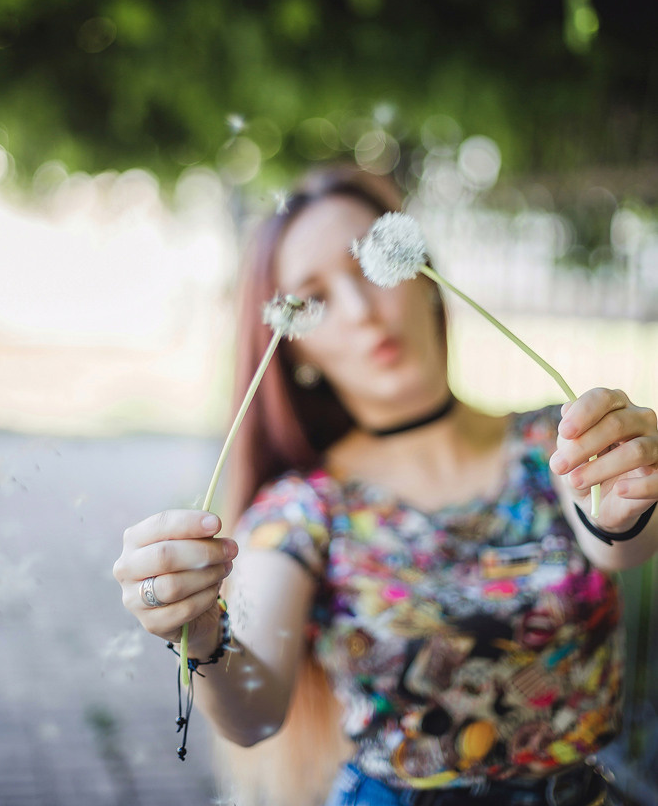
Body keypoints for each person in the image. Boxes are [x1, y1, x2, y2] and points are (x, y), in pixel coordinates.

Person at [113, 164, 658, 806]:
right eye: (311, 300)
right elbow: (255, 712)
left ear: (424, 276)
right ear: (297, 353)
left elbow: (615, 540)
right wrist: (199, 633)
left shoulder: (556, 441)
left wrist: (628, 498)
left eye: (372, 265)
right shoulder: (302, 509)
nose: (362, 311)